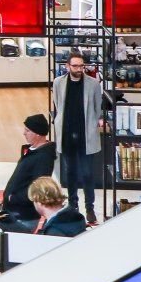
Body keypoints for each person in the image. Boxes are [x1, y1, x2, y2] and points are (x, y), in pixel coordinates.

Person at [49, 50, 106, 223]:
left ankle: (90, 208)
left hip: (86, 135)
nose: (79, 69)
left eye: (82, 65)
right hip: (66, 134)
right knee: (70, 172)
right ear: (67, 66)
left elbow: (98, 108)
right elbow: (58, 104)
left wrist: (94, 123)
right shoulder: (58, 83)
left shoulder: (93, 84)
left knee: (88, 173)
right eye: (75, 66)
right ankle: (73, 205)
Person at [0, 112, 57, 226]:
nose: (24, 133)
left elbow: (37, 187)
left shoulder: (43, 158)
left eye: (28, 130)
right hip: (15, 211)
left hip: (24, 215)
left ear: (38, 134)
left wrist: (12, 198)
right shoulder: (31, 151)